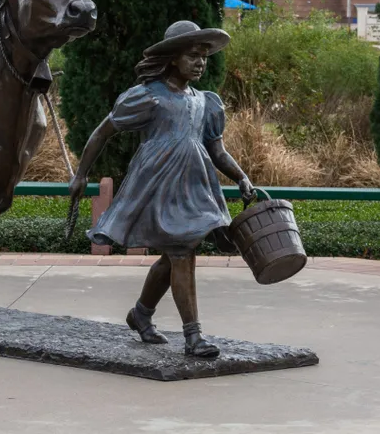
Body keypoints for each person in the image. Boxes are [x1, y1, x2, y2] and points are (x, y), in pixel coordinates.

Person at [68, 20, 255, 358]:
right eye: (192, 56)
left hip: (194, 186)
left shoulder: (205, 102)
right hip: (158, 184)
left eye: (204, 56)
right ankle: (193, 335)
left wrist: (240, 175)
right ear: (172, 58)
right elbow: (102, 132)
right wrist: (81, 173)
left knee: (175, 255)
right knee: (182, 253)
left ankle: (141, 313)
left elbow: (216, 149)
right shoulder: (149, 96)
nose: (200, 62)